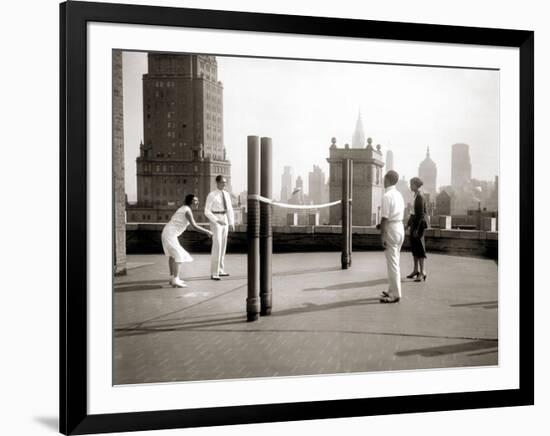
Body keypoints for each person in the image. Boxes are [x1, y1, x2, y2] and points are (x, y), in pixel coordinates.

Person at [161, 194, 212, 288]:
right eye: (196, 201)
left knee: (173, 256)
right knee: (178, 255)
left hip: (167, 232)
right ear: (191, 202)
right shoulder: (187, 211)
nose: (198, 202)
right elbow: (194, 226)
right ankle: (175, 279)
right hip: (169, 234)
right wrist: (207, 231)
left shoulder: (183, 208)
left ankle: (173, 278)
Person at [379, 170, 406, 303]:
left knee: (393, 263)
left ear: (387, 180)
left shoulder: (387, 196)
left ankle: (395, 294)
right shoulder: (399, 195)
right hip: (399, 228)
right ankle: (392, 290)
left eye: (384, 179)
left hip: (391, 229)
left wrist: (382, 236)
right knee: (395, 261)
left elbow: (384, 218)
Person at [205, 175, 235, 280]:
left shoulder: (226, 194)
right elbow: (207, 211)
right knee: (217, 245)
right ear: (217, 183)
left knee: (223, 246)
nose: (224, 184)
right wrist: (217, 220)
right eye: (222, 182)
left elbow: (230, 209)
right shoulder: (211, 195)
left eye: (225, 182)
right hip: (216, 219)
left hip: (225, 219)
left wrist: (231, 222)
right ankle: (214, 272)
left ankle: (220, 270)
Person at [406, 177, 428, 282]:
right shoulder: (415, 196)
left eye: (411, 184)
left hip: (419, 225)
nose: (410, 186)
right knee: (414, 248)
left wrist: (417, 229)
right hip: (414, 224)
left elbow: (420, 215)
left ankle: (422, 272)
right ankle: (415, 270)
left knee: (420, 248)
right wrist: (408, 225)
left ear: (415, 184)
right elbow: (412, 212)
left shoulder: (420, 197)